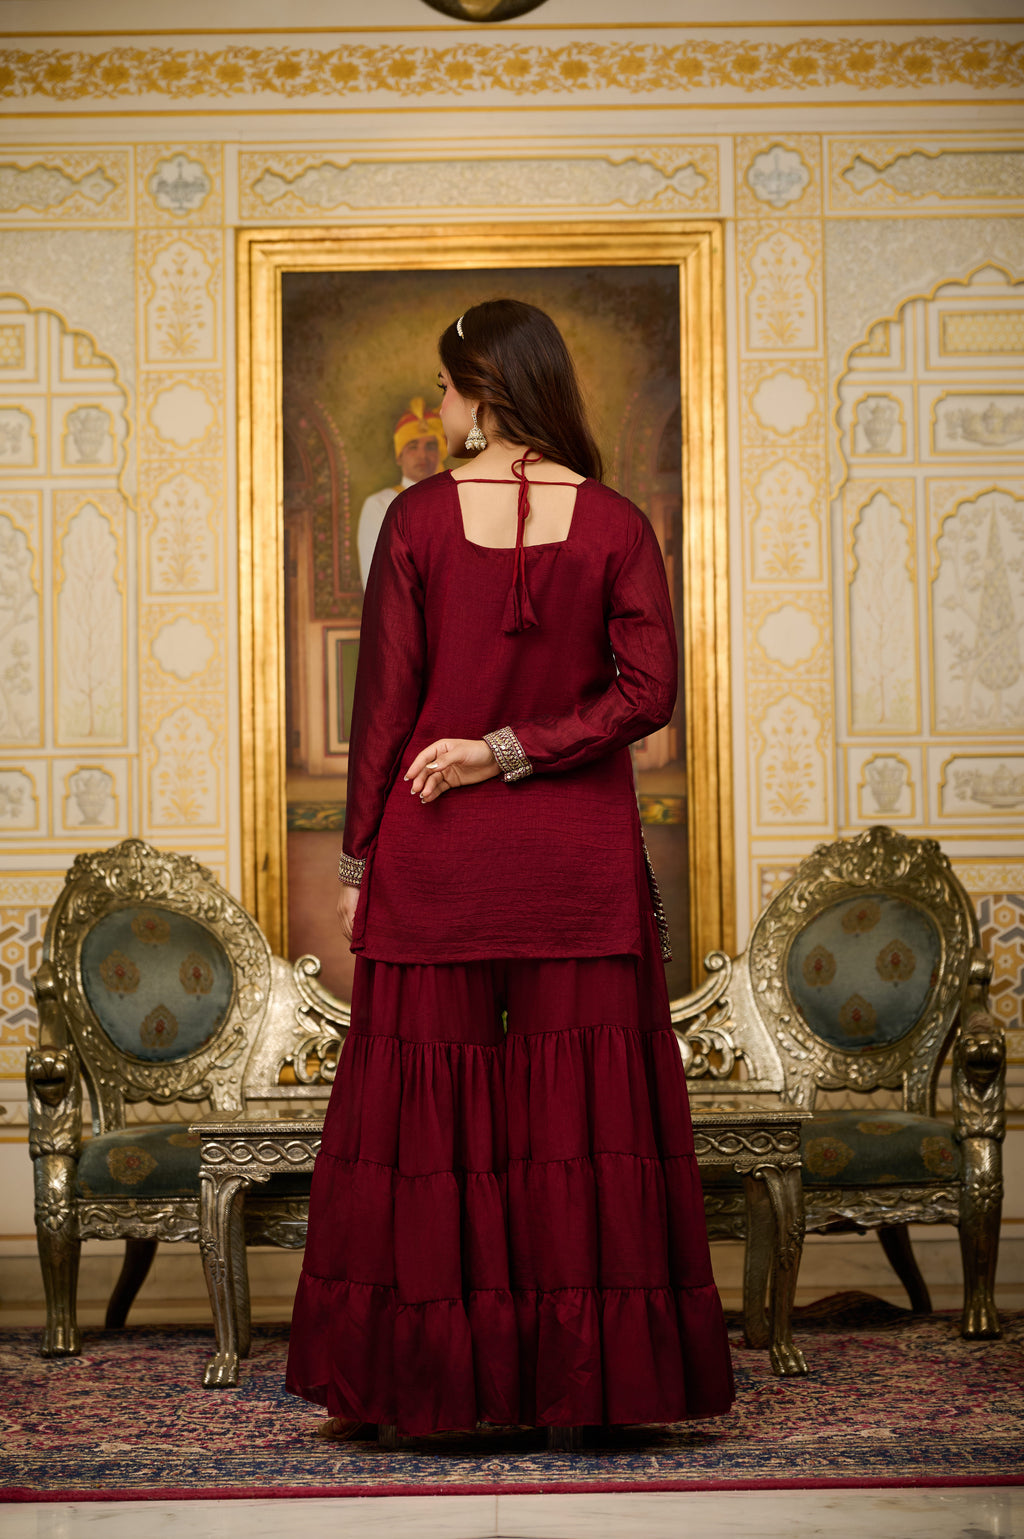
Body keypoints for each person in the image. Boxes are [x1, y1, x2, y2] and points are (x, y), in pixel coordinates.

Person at [286, 299, 735, 1446]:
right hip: (576, 864)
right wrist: (519, 750)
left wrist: (359, 861)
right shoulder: (620, 525)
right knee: (575, 1124)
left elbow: (382, 712)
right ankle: (588, 1389)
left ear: (479, 391)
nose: (439, 412)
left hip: (435, 851)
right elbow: (647, 694)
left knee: (431, 1130)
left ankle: (440, 1387)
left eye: (447, 391)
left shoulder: (419, 523)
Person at [356, 397, 447, 588]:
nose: (422, 455)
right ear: (399, 456)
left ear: (439, 453)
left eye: (430, 446)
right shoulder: (379, 505)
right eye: (413, 447)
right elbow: (377, 581)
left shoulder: (451, 501)